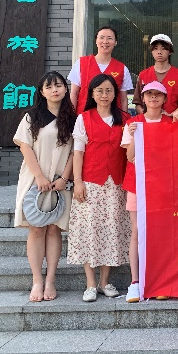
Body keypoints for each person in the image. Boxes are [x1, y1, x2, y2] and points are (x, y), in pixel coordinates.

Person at [13, 71, 76, 302]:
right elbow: (25, 147)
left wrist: (65, 178)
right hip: (34, 180)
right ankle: (37, 281)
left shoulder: (73, 118)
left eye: (58, 85)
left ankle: (50, 280)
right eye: (48, 87)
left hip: (60, 182)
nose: (54, 90)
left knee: (54, 229)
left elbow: (75, 151)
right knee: (37, 228)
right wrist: (39, 176)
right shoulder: (32, 117)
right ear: (41, 92)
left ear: (66, 89)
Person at [68, 74, 131, 302]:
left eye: (109, 90)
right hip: (91, 183)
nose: (104, 95)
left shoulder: (125, 119)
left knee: (111, 230)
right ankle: (90, 284)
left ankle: (105, 282)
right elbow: (78, 153)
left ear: (115, 94)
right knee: (89, 230)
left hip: (116, 185)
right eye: (100, 91)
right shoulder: (83, 118)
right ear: (92, 94)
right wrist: (77, 181)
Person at [121, 81, 172, 303]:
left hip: (163, 185)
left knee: (162, 232)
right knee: (137, 231)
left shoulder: (171, 122)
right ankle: (135, 281)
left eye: (158, 94)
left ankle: (160, 279)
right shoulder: (133, 124)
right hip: (137, 185)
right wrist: (133, 136)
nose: (153, 98)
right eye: (149, 94)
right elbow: (130, 157)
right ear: (143, 98)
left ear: (164, 99)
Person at [69, 26, 132, 114]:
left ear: (115, 42)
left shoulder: (122, 69)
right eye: (101, 37)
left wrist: (125, 119)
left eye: (109, 38)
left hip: (112, 118)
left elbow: (123, 99)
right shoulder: (81, 63)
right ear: (96, 41)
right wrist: (71, 117)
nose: (105, 41)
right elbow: (74, 93)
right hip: (84, 117)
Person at [132, 34, 178, 116]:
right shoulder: (143, 75)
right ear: (151, 51)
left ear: (170, 51)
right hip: (148, 122)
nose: (159, 52)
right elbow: (138, 103)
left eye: (163, 48)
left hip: (172, 122)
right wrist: (145, 113)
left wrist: (171, 115)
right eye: (155, 48)